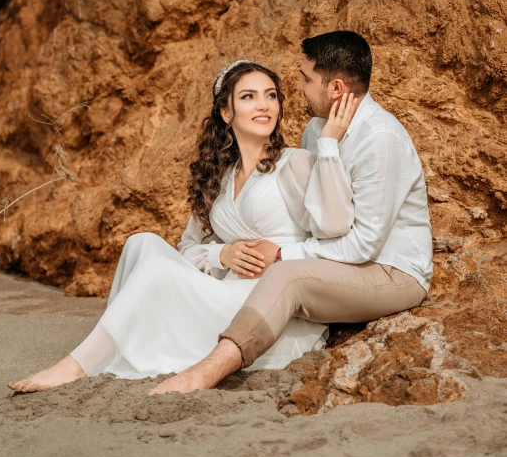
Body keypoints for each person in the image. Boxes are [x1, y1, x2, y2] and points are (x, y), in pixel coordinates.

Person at [8, 59, 358, 393]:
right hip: (224, 292)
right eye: (248, 97)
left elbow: (335, 226)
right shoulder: (219, 177)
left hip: (268, 311)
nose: (263, 105)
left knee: (159, 273)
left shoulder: (295, 163)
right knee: (141, 243)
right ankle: (99, 351)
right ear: (226, 112)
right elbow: (188, 248)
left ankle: (76, 365)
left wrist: (327, 146)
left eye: (270, 95)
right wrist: (222, 253)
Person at [151, 31, 432, 396]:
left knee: (288, 276)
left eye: (305, 79)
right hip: (342, 264)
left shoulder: (380, 139)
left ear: (335, 88)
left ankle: (205, 373)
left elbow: (363, 244)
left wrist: (281, 253)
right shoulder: (316, 130)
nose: (297, 87)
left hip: (392, 272)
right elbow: (313, 216)